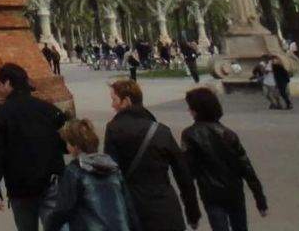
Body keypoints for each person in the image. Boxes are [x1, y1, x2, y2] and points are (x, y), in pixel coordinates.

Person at [104, 79, 200, 231]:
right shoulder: (161, 131)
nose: (112, 105)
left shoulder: (114, 130)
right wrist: (192, 212)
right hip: (164, 205)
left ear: (126, 101)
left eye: (114, 100)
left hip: (133, 207)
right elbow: (183, 175)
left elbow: (110, 172)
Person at [0, 62, 68, 230]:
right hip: (51, 181)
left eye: (0, 84)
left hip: (20, 187)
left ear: (8, 83)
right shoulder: (48, 109)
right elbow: (66, 143)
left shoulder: (0, 115)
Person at [180, 86, 268, 231]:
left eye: (190, 108)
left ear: (196, 110)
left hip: (211, 194)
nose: (189, 111)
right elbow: (247, 169)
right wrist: (260, 200)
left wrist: (192, 214)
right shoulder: (228, 134)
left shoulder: (190, 135)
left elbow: (188, 177)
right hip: (234, 192)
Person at [46, 117, 141, 230]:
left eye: (67, 143)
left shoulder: (75, 171)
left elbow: (63, 209)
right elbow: (129, 207)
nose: (67, 147)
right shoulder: (112, 168)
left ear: (74, 146)